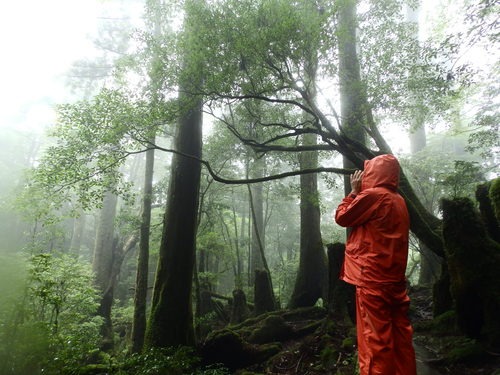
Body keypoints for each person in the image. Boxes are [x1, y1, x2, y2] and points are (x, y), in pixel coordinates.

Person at [335, 154, 416, 375]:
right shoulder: (399, 200)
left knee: (374, 342)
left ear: (373, 174)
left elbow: (342, 217)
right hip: (395, 279)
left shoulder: (372, 196)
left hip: (372, 280)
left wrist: (353, 192)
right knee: (401, 337)